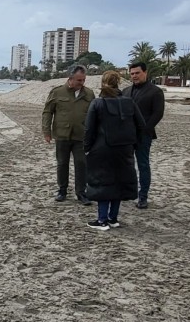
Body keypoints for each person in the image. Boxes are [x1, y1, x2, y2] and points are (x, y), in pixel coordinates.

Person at [84, 71, 146, 230]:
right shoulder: (129, 102)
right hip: (124, 149)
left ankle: (102, 220)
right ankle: (113, 218)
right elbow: (141, 125)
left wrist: (86, 148)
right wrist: (134, 144)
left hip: (102, 149)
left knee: (103, 183)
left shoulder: (97, 103)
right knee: (119, 182)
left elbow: (89, 129)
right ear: (118, 82)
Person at [41, 65, 96, 205]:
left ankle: (81, 193)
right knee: (62, 163)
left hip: (81, 136)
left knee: (81, 164)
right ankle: (62, 190)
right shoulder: (57, 92)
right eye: (79, 80)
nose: (81, 83)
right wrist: (46, 131)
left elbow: (94, 115)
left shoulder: (89, 94)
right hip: (62, 135)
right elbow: (47, 112)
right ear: (70, 79)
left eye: (83, 80)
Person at [122, 62, 165, 209]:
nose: (134, 76)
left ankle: (143, 196)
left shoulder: (155, 92)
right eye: (132, 73)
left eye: (137, 73)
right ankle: (127, 192)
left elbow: (158, 113)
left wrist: (145, 129)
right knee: (125, 165)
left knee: (143, 165)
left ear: (145, 73)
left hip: (143, 135)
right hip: (126, 135)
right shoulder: (126, 91)